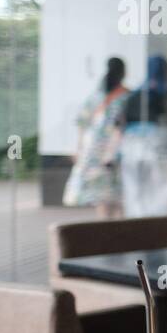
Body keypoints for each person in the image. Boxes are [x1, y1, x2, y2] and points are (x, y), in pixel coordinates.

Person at [62, 57, 130, 218]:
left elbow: (82, 123)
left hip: (94, 150)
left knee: (103, 198)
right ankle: (121, 233)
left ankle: (106, 231)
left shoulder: (96, 96)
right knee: (119, 197)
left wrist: (78, 149)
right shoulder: (126, 96)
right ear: (124, 73)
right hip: (117, 150)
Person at [119, 55, 167, 217]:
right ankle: (157, 223)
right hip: (160, 146)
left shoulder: (135, 95)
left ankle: (138, 221)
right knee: (162, 188)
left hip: (133, 147)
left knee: (135, 190)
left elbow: (121, 125)